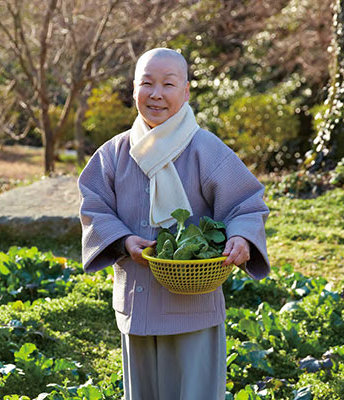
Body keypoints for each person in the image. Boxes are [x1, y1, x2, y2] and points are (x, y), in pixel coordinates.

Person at [77, 48, 270, 400]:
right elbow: (94, 207)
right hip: (138, 300)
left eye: (168, 84)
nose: (156, 94)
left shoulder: (206, 149)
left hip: (192, 304)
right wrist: (122, 241)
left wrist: (242, 239)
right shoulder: (113, 153)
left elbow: (247, 204)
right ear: (134, 88)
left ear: (186, 91)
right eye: (147, 83)